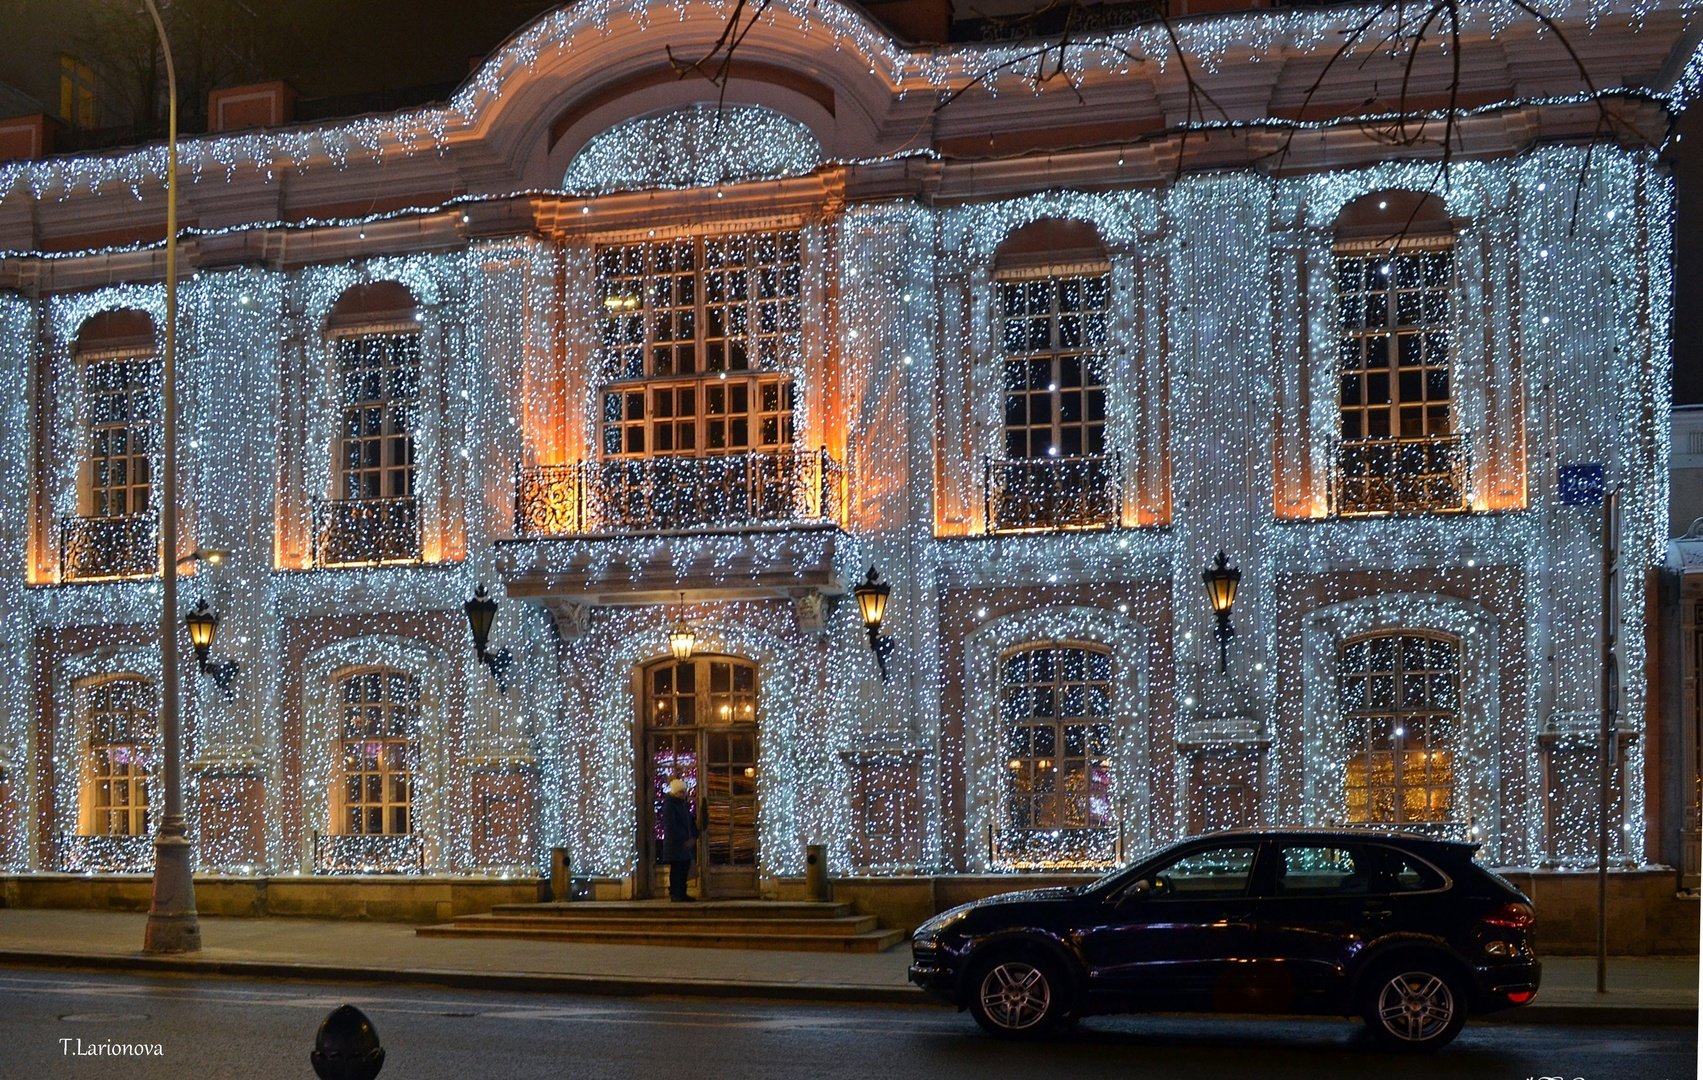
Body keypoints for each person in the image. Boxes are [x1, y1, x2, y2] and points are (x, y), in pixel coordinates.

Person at [661, 777, 699, 902]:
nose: (683, 794)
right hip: (676, 844)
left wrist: (694, 835)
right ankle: (676, 893)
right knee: (677, 869)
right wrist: (685, 839)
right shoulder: (670, 806)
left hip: (684, 843)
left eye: (684, 792)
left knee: (683, 868)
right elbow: (671, 826)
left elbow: (690, 822)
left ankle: (681, 892)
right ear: (675, 792)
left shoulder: (682, 805)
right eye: (681, 792)